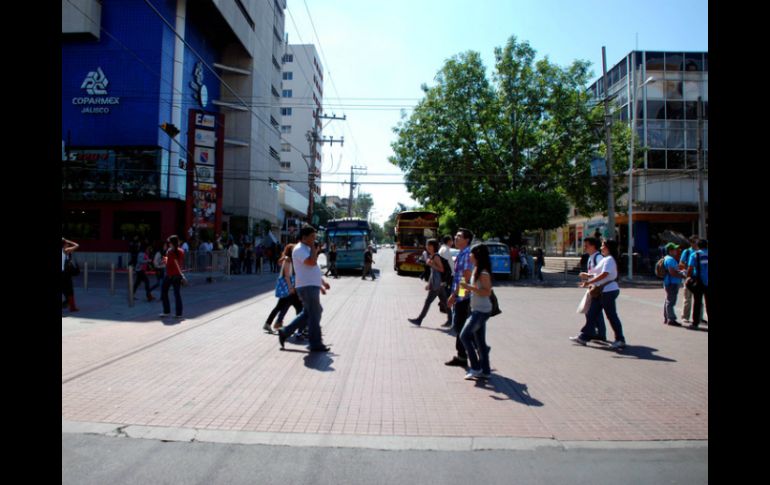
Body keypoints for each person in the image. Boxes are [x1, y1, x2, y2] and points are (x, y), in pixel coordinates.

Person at [276, 225, 331, 352]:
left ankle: (285, 332)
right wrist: (314, 249)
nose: (314, 239)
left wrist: (321, 283)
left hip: (310, 285)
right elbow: (311, 263)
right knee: (314, 314)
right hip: (307, 287)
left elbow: (313, 269)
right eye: (312, 237)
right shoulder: (300, 249)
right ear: (304, 237)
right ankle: (316, 343)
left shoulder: (306, 249)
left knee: (310, 313)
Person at [578, 239, 626, 350]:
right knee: (592, 314)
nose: (601, 248)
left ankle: (620, 339)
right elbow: (597, 272)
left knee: (611, 315)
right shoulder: (606, 259)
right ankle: (584, 336)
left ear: (608, 247)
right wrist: (588, 275)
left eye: (603, 246)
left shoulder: (609, 259)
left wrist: (589, 281)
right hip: (602, 291)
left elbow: (604, 274)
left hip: (608, 291)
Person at [459, 244, 493, 380]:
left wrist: (469, 288)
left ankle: (476, 367)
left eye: (471, 254)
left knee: (464, 336)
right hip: (477, 309)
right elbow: (477, 289)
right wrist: (468, 290)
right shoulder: (476, 269)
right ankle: (485, 370)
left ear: (477, 256)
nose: (469, 256)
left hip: (481, 311)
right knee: (480, 342)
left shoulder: (483, 272)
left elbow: (487, 292)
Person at [445, 228, 474, 368]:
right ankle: (462, 356)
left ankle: (475, 353)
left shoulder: (468, 254)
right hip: (461, 297)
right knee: (459, 326)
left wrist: (455, 296)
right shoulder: (462, 253)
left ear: (467, 240)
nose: (455, 238)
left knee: (461, 327)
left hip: (465, 297)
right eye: (455, 236)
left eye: (459, 236)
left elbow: (466, 278)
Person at [571, 237, 607, 343]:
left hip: (598, 289)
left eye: (587, 245)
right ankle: (599, 333)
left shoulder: (598, 257)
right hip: (594, 288)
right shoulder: (591, 257)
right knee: (594, 312)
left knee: (591, 312)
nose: (585, 247)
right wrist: (588, 277)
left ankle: (587, 335)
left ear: (593, 246)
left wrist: (588, 278)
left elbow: (603, 273)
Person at [264, 244, 303, 333]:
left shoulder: (291, 260)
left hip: (291, 289)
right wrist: (290, 288)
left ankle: (273, 323)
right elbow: (287, 276)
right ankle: (299, 327)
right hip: (288, 288)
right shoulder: (287, 260)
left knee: (296, 307)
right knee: (283, 307)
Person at [408, 239, 449, 326]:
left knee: (428, 302)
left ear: (434, 246)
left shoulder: (436, 256)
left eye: (429, 246)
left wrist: (431, 264)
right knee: (445, 302)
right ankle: (451, 319)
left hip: (437, 284)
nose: (427, 247)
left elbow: (441, 269)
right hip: (438, 284)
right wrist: (429, 283)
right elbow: (433, 273)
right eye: (427, 245)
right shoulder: (432, 256)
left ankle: (419, 319)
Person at [160, 235, 185, 319]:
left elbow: (166, 263)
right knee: (177, 294)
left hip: (170, 275)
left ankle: (166, 311)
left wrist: (164, 253)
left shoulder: (169, 251)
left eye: (169, 242)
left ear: (171, 243)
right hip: (178, 275)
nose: (168, 244)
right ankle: (179, 314)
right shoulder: (181, 251)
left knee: (164, 292)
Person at [686, 239, 709, 329]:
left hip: (699, 281)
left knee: (697, 302)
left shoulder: (695, 254)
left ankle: (695, 323)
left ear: (698, 246)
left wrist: (687, 277)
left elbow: (690, 268)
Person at [662, 242, 686, 326]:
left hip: (669, 282)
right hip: (672, 283)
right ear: (670, 251)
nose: (676, 251)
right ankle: (671, 319)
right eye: (675, 249)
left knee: (668, 300)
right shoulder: (670, 259)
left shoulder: (668, 258)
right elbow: (672, 272)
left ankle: (667, 317)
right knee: (671, 301)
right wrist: (682, 275)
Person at [679, 236, 701, 323]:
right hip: (689, 277)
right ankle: (685, 316)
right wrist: (688, 269)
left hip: (699, 278)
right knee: (687, 298)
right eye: (695, 242)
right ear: (691, 243)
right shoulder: (687, 251)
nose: (696, 244)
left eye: (697, 242)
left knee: (699, 299)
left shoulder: (700, 252)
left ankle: (699, 317)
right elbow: (681, 263)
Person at [62, 238, 80, 312]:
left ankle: (68, 304)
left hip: (64, 273)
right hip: (65, 274)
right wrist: (67, 240)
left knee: (65, 290)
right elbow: (77, 245)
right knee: (69, 290)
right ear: (64, 244)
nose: (68, 244)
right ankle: (71, 307)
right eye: (66, 243)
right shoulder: (65, 250)